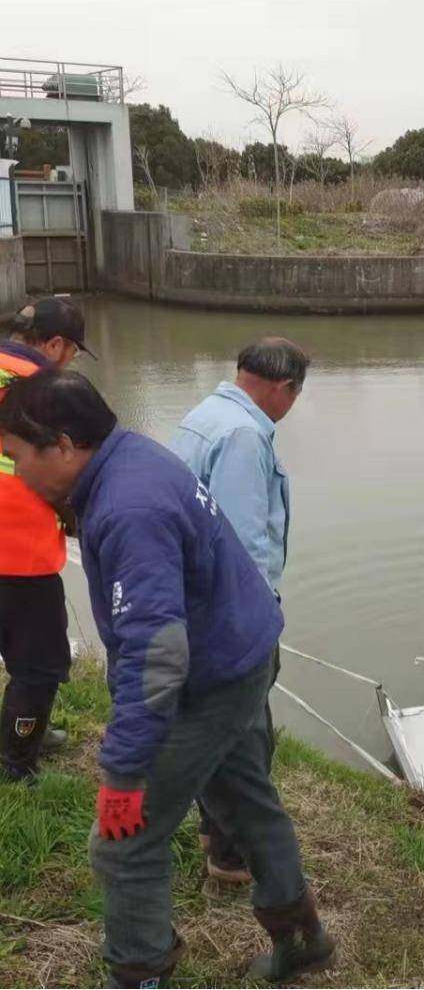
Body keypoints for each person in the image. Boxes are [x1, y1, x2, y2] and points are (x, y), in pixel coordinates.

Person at [0, 369, 334, 987]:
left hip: (210, 676)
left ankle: (139, 972)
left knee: (124, 840)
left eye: (18, 458)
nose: (18, 476)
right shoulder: (130, 455)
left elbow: (156, 658)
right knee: (242, 799)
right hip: (240, 650)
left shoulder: (130, 509)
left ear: (65, 445)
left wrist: (124, 776)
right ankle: (302, 938)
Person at [168, 336, 308, 883]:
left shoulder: (207, 414)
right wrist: (256, 622)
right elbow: (242, 545)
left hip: (196, 605)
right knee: (246, 737)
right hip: (230, 616)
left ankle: (213, 830)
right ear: (283, 387)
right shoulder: (246, 437)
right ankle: (231, 858)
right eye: (296, 395)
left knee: (219, 727)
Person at [0, 297, 93, 781]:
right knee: (38, 665)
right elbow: (71, 468)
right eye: (73, 350)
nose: (71, 360)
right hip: (18, 549)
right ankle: (17, 761)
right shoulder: (52, 391)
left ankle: (23, 730)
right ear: (55, 344)